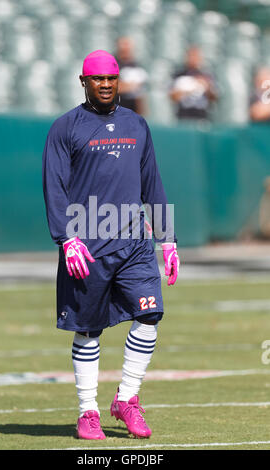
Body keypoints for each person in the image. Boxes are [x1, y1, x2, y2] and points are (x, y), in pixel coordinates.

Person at [42, 50, 179, 440]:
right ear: (83, 81)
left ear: (119, 81)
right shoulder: (65, 127)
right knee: (88, 330)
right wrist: (66, 237)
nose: (105, 84)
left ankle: (127, 399)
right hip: (87, 246)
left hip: (135, 243)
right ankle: (88, 411)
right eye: (97, 79)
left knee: (150, 315)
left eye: (111, 78)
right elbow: (54, 186)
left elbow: (152, 182)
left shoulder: (137, 124)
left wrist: (167, 239)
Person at [169, 46, 218, 122]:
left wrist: (207, 87)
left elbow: (214, 98)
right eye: (191, 56)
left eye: (196, 56)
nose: (193, 59)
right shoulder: (179, 74)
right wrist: (189, 89)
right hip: (183, 115)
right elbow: (172, 97)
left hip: (201, 116)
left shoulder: (207, 75)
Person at [114, 36, 148, 116]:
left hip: (132, 110)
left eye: (128, 45)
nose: (126, 48)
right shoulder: (112, 64)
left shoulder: (137, 66)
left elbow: (140, 93)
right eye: (124, 45)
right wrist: (129, 86)